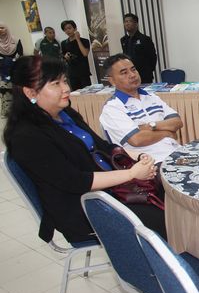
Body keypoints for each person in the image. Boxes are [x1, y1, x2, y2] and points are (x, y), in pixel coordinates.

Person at [3, 55, 166, 244]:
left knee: (170, 191)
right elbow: (75, 181)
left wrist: (138, 156)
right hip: (85, 208)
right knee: (164, 218)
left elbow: (103, 146)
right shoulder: (26, 136)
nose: (66, 88)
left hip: (112, 191)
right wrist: (131, 174)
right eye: (56, 84)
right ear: (30, 92)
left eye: (65, 81)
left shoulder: (65, 114)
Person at [100, 53, 182, 162]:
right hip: (151, 163)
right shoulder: (112, 108)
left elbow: (177, 122)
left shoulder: (151, 97)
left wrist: (150, 126)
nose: (132, 75)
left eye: (133, 69)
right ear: (112, 81)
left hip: (176, 153)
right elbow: (137, 139)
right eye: (124, 73)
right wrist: (168, 133)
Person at [121, 13, 157, 84]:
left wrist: (149, 70)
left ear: (136, 24)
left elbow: (153, 57)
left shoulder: (144, 39)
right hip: (130, 75)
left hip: (144, 75)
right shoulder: (123, 40)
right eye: (125, 21)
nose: (127, 24)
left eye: (130, 21)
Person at [60, 20, 91, 91]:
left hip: (83, 72)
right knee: (76, 94)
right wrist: (65, 57)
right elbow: (63, 57)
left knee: (87, 93)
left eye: (69, 28)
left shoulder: (85, 41)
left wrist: (78, 39)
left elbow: (85, 53)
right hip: (72, 73)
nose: (68, 31)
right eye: (65, 29)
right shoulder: (64, 43)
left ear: (75, 28)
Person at [1, 22, 24, 117]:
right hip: (3, 73)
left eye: (2, 28)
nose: (0, 30)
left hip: (16, 71)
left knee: (18, 91)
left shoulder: (16, 40)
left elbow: (20, 55)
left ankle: (20, 111)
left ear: (7, 29)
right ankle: (7, 112)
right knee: (5, 92)